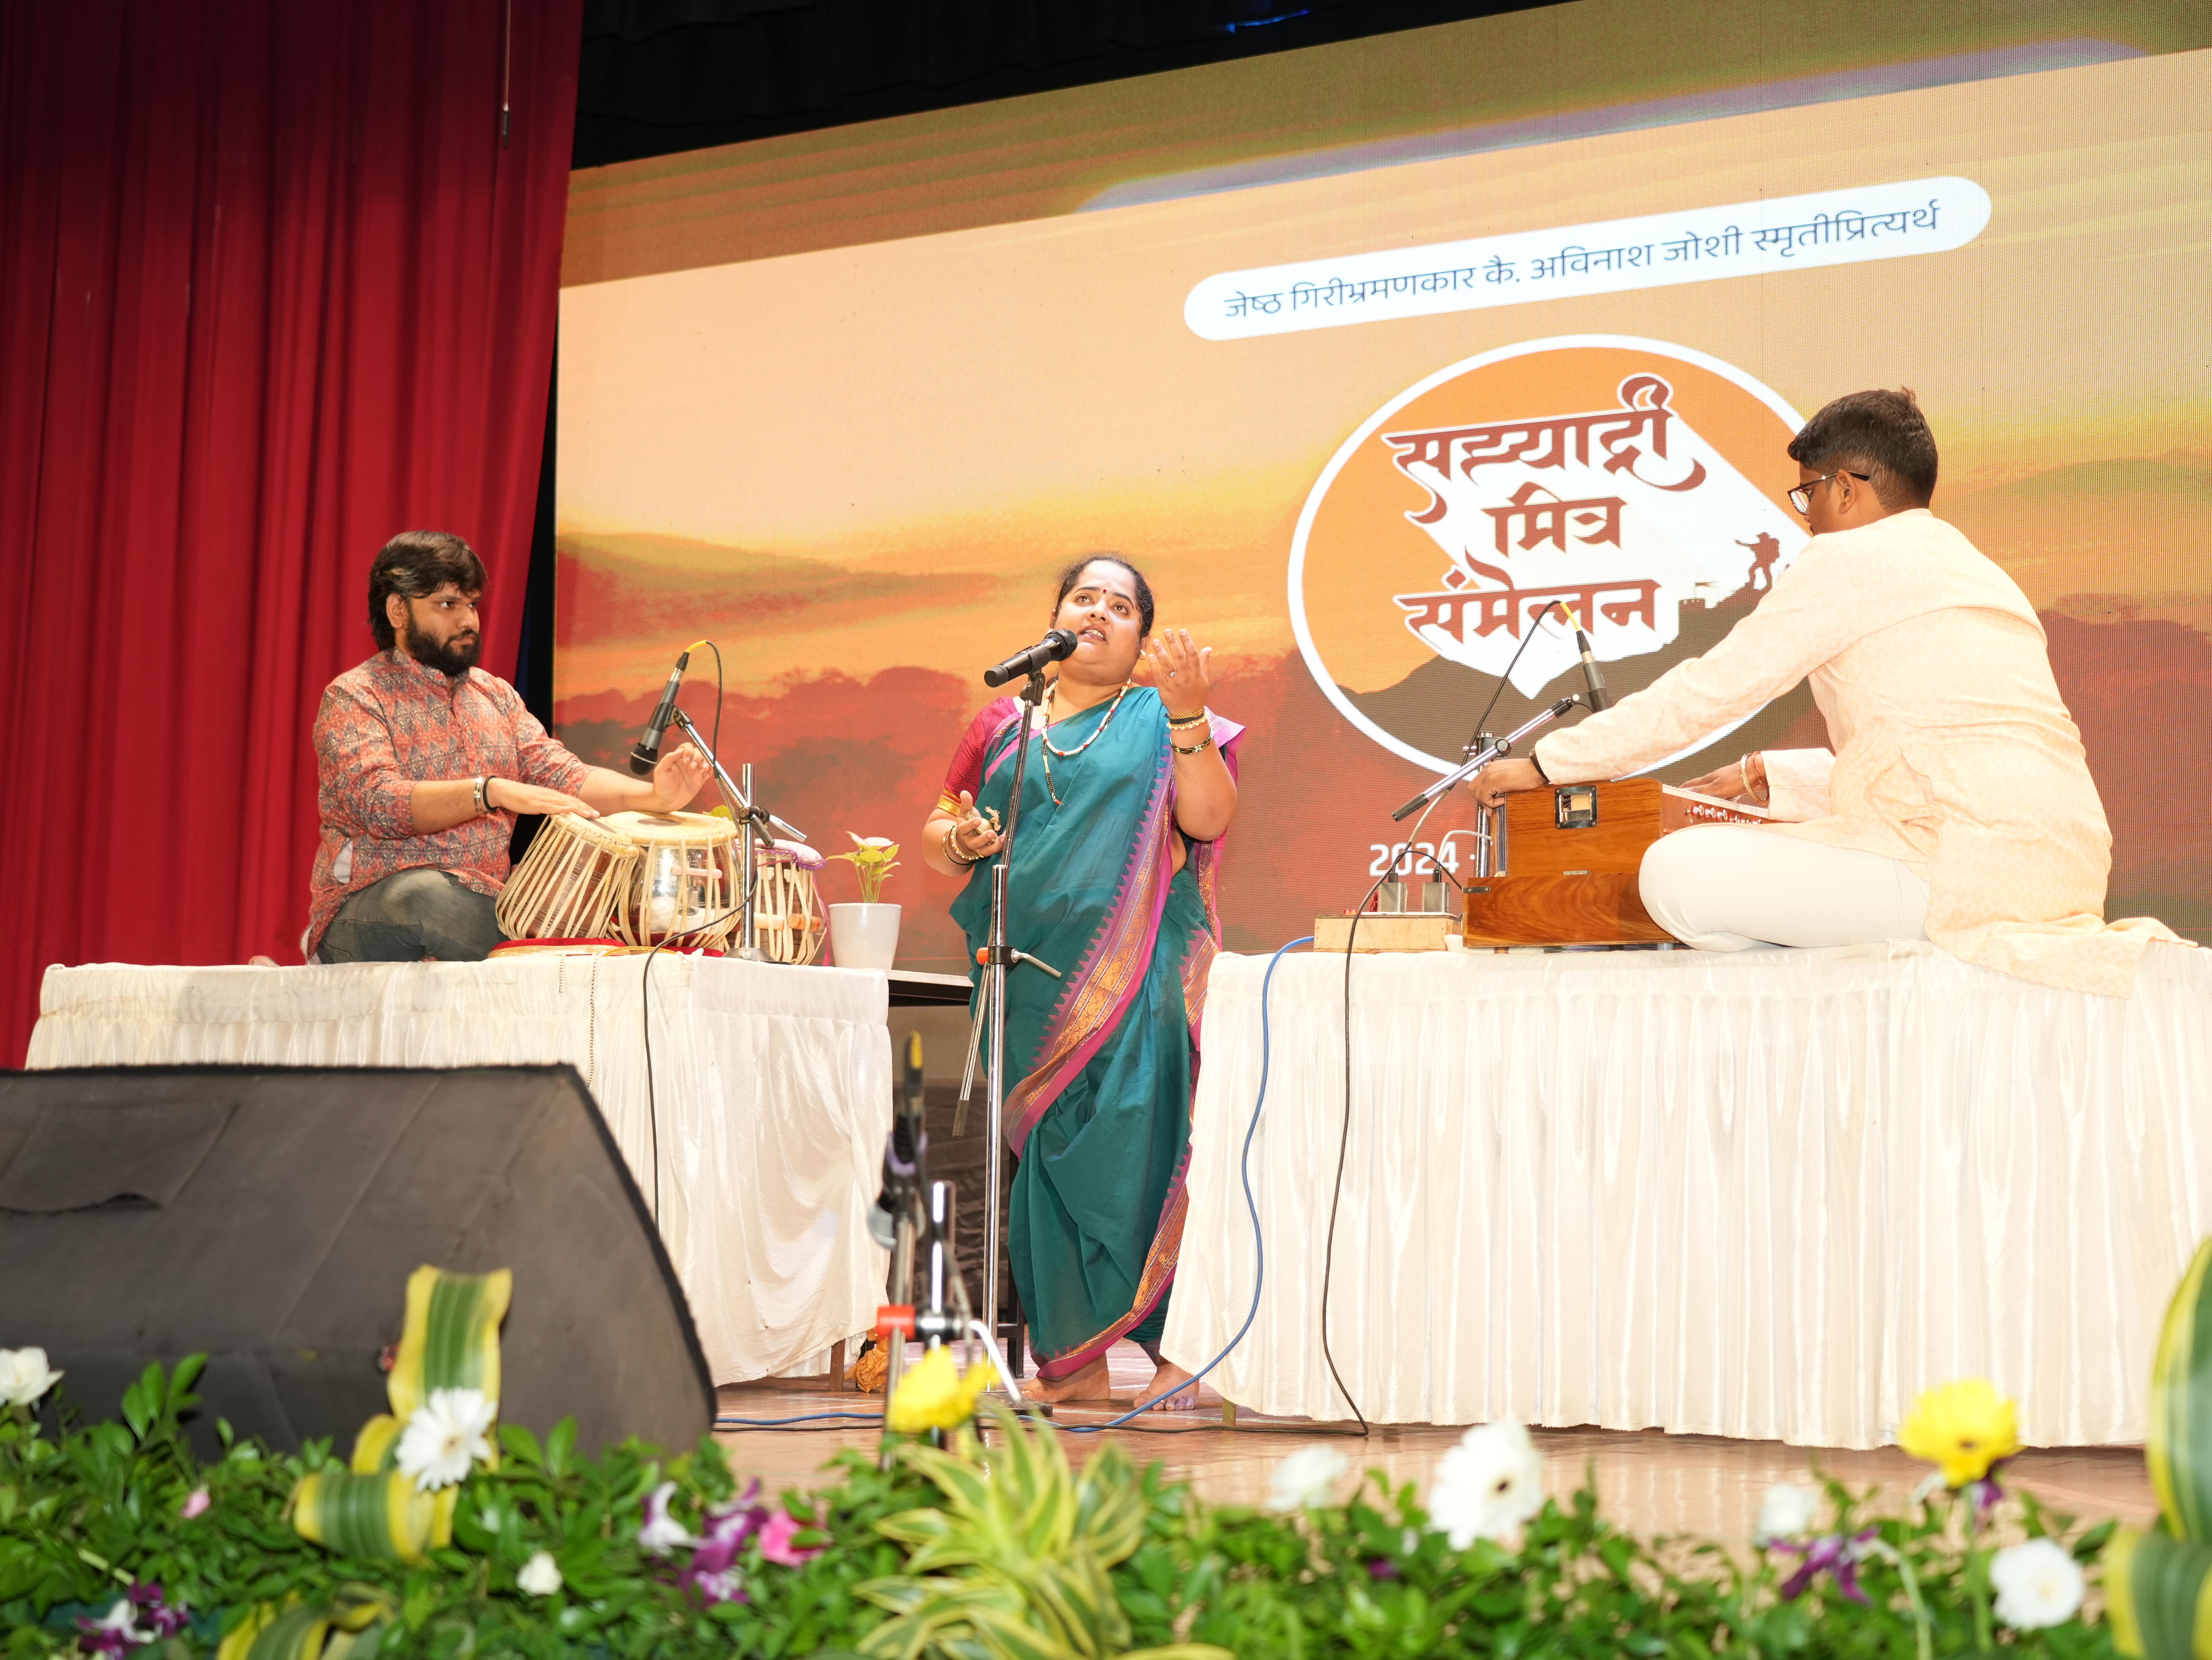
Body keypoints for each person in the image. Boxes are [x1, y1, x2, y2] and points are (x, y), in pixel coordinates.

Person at [1471, 388, 2179, 996]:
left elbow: (1709, 691)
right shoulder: (1978, 571)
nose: (1805, 513)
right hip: (2063, 867)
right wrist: (1765, 771)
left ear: (1845, 487)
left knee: (1673, 872)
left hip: (1960, 869)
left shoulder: (1848, 559)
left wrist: (1548, 765)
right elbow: (1932, 739)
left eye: (1807, 492)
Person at [923, 556, 1241, 1410]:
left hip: (1138, 978)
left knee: (1141, 1149)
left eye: (1120, 606)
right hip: (1025, 971)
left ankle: (1184, 1350)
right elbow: (942, 823)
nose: (1098, 611)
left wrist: (1187, 713)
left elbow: (1209, 817)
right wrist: (959, 842)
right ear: (1056, 616)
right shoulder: (1004, 719)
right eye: (1083, 598)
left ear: (1141, 638)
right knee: (1048, 1168)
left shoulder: (1160, 714)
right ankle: (1074, 1365)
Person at [307, 530, 710, 963]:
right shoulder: (356, 695)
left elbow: (562, 774)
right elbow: (378, 803)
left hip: (484, 902)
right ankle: (564, 963)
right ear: (398, 611)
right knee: (425, 896)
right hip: (368, 908)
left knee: (581, 894)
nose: (469, 621)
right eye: (447, 605)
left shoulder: (494, 695)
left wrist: (653, 796)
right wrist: (488, 792)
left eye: (472, 604)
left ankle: (563, 956)